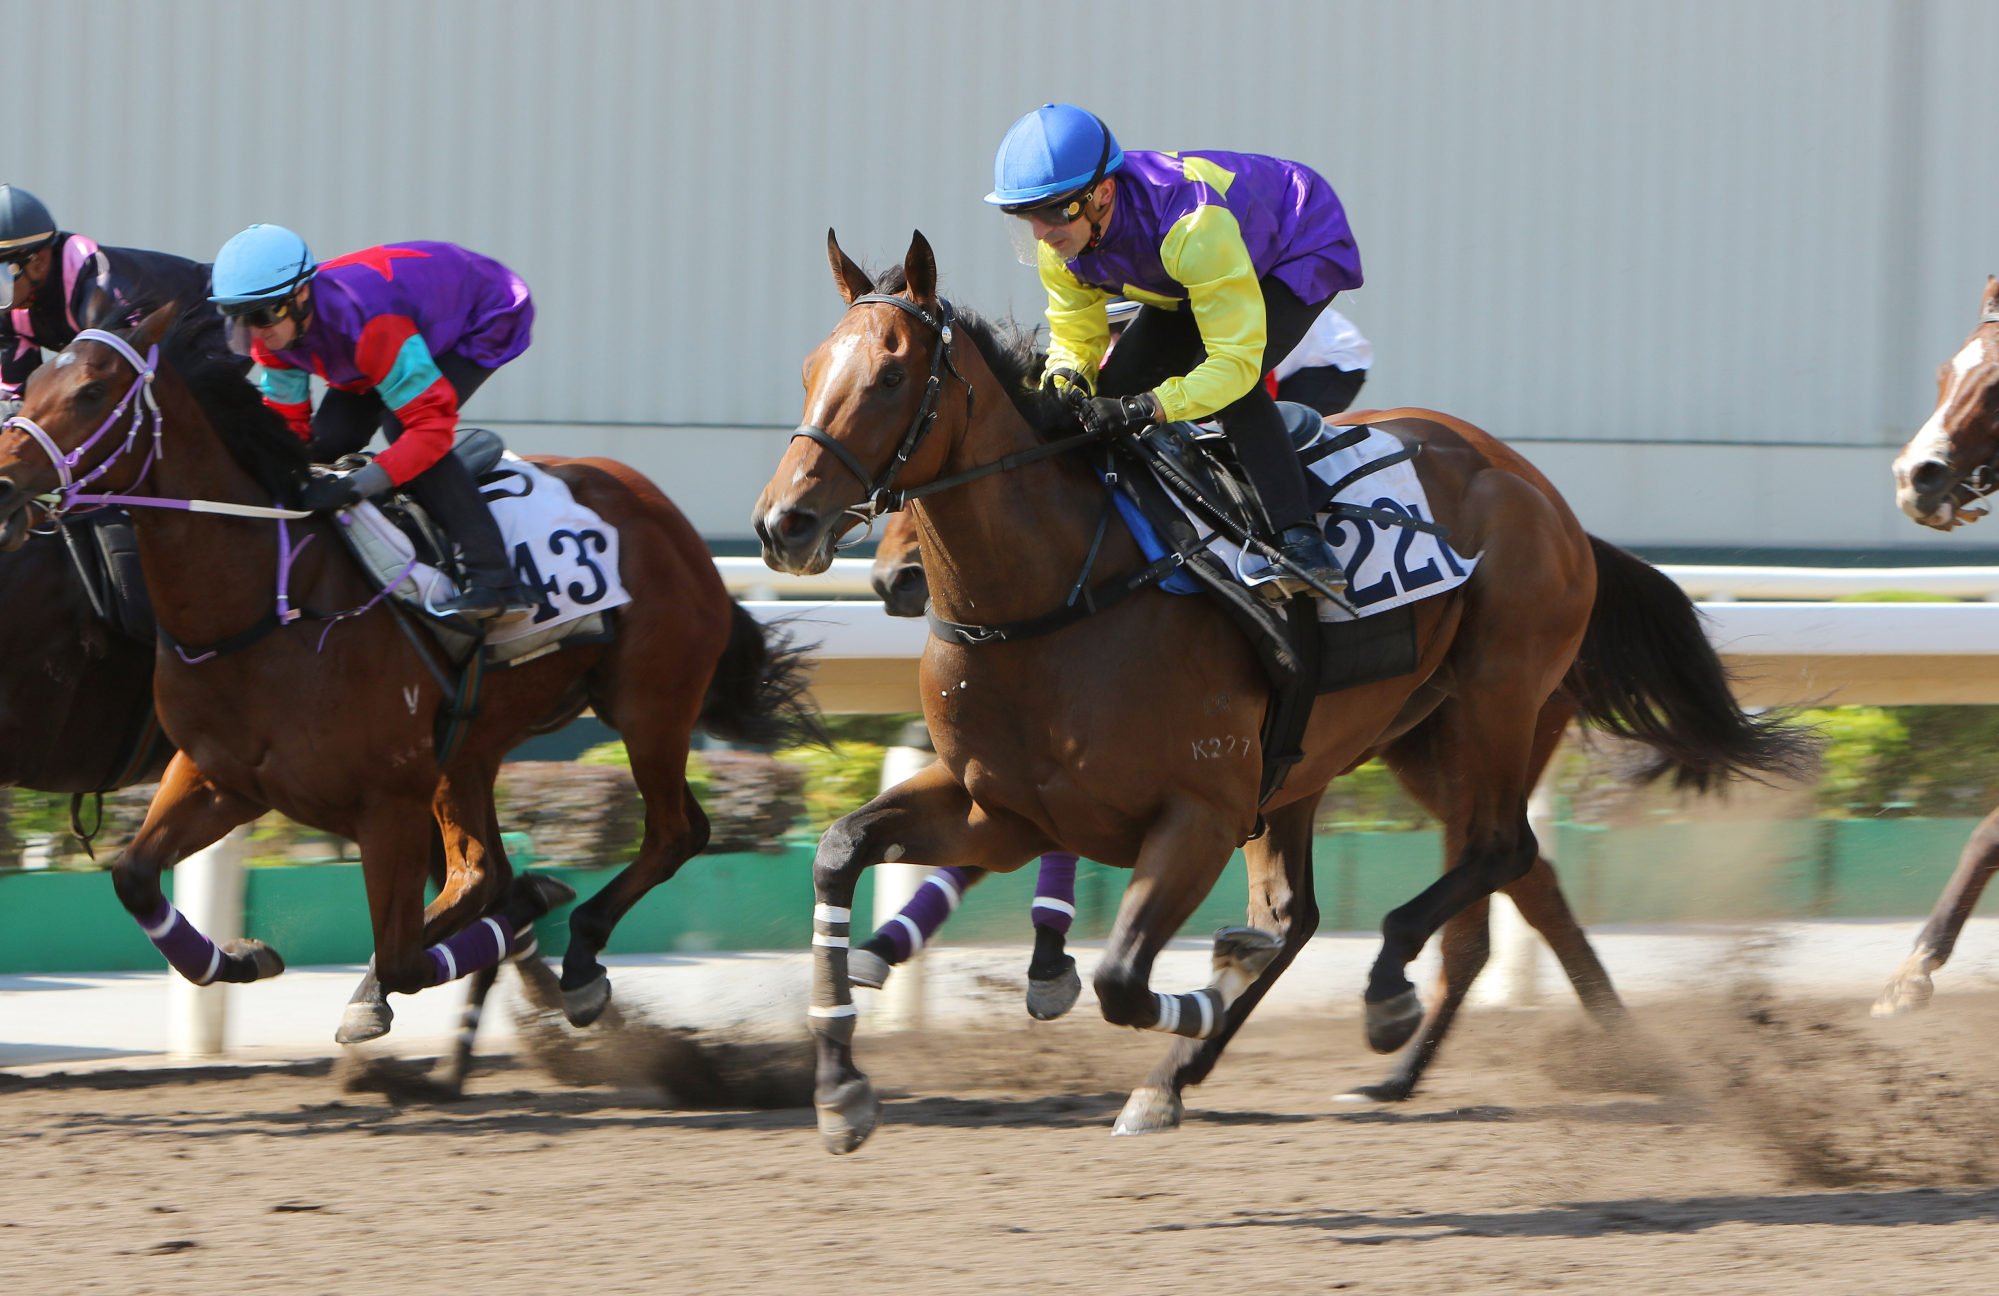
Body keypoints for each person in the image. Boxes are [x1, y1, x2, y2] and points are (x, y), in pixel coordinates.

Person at [989, 104, 1362, 595]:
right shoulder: (1060, 244)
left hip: (1295, 242)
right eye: (1027, 216)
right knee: (1112, 388)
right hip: (1188, 271)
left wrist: (1153, 406)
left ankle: (1303, 547)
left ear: (1103, 193)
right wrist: (1067, 380)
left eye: (1057, 210)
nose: (1043, 232)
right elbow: (1075, 337)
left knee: (1230, 390)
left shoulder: (1193, 227)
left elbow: (1233, 364)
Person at [208, 225, 533, 619]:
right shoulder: (274, 334)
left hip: (481, 314)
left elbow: (429, 430)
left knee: (404, 430)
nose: (257, 333)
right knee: (328, 440)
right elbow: (286, 429)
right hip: (376, 334)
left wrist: (357, 486)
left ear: (301, 294)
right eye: (239, 319)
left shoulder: (368, 322)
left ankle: (496, 580)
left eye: (262, 315)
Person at [0, 184, 233, 410]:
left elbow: (133, 396)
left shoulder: (104, 294)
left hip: (220, 321)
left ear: (38, 263)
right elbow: (16, 405)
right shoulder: (12, 310)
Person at [1106, 296, 1372, 418]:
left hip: (1333, 360)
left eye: (1114, 329)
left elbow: (1249, 384)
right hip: (1286, 349)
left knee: (1275, 438)